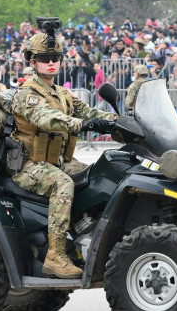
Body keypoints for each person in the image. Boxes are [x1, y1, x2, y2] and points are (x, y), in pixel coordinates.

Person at [10, 18, 116, 278]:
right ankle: (55, 255)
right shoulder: (28, 93)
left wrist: (120, 121)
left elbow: (91, 111)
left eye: (56, 57)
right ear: (32, 61)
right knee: (63, 184)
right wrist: (83, 124)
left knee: (101, 175)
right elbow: (46, 118)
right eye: (45, 57)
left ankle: (86, 235)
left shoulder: (63, 94)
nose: (51, 62)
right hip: (29, 166)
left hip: (57, 161)